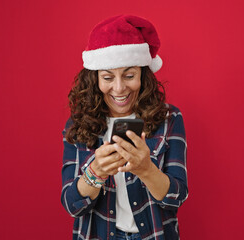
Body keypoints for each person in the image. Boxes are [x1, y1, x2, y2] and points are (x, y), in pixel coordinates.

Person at [61, 15, 188, 240]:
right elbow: (72, 206)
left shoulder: (169, 118)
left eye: (129, 75)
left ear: (143, 76)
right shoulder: (77, 126)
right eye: (108, 77)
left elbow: (176, 197)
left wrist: (146, 169)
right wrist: (95, 172)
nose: (119, 88)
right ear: (95, 80)